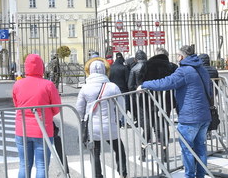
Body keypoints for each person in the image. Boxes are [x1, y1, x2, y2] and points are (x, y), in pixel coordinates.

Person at [140, 45, 213, 178]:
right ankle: (201, 175)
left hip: (190, 117)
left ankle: (189, 175)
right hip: (204, 115)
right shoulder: (201, 69)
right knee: (200, 147)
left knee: (187, 149)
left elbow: (166, 83)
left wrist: (145, 84)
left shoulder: (184, 71)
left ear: (181, 56)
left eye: (177, 55)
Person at [76, 59, 127, 178]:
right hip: (109, 123)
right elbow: (121, 106)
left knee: (95, 152)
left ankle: (98, 175)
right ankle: (123, 172)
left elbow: (79, 108)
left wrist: (82, 120)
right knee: (119, 149)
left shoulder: (85, 87)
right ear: (105, 70)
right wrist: (118, 119)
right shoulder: (112, 86)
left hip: (92, 126)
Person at [13, 54, 61, 178]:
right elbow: (56, 108)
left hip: (22, 129)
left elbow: (17, 105)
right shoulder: (48, 85)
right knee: (42, 166)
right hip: (43, 129)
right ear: (41, 67)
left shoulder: (18, 84)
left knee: (24, 165)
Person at [137, 47, 178, 160]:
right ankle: (164, 153)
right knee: (163, 125)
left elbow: (140, 81)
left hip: (148, 100)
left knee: (148, 126)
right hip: (167, 100)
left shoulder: (147, 65)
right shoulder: (172, 66)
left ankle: (143, 152)